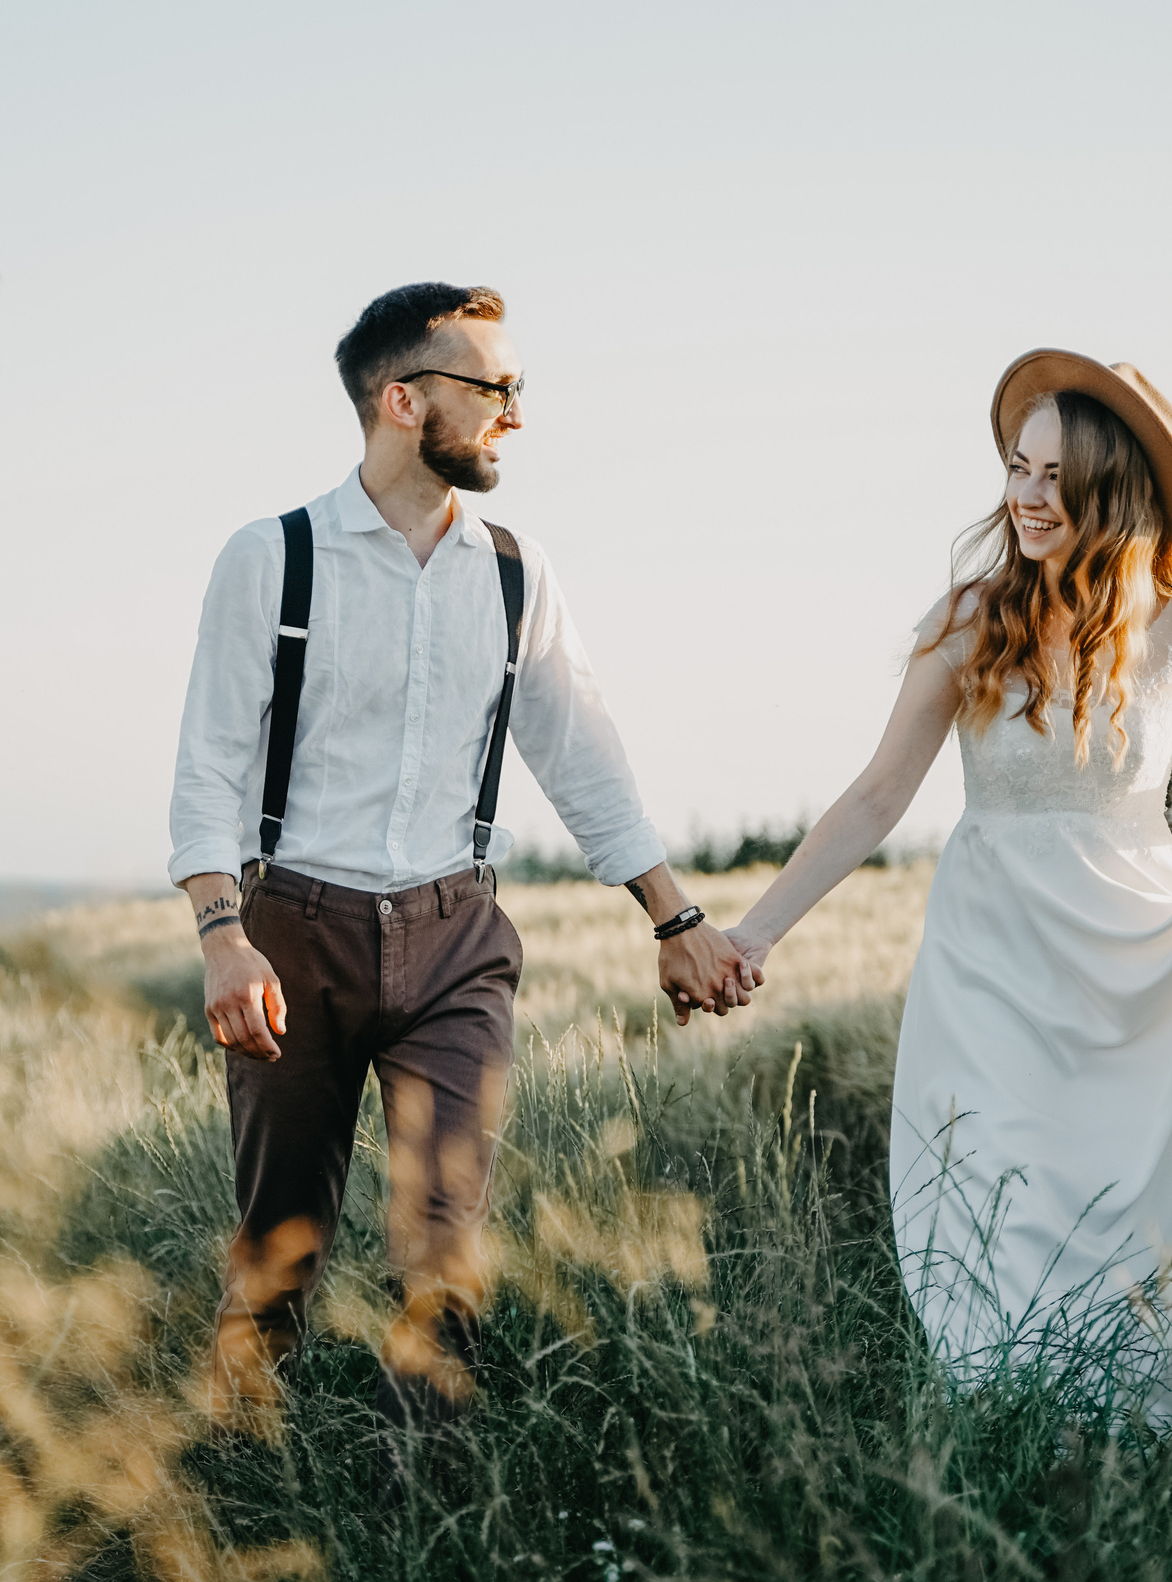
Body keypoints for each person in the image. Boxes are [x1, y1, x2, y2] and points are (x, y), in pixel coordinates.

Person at [723, 350, 1172, 1417]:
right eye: (1017, 468)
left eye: (1056, 476)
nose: (1027, 497)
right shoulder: (969, 617)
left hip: (1135, 937)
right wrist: (756, 932)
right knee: (1007, 1176)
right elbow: (875, 796)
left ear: (1111, 487)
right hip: (995, 945)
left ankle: (1145, 1410)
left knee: (1139, 1180)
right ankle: (1018, 1414)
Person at [169, 282, 756, 1428]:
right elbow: (207, 766)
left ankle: (428, 1521)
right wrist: (220, 934)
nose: (515, 416)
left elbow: (582, 756)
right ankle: (235, 1480)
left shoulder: (515, 572)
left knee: (443, 1252)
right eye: (494, 389)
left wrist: (677, 923)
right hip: (292, 933)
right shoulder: (271, 558)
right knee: (281, 1245)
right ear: (402, 400)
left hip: (453, 941)